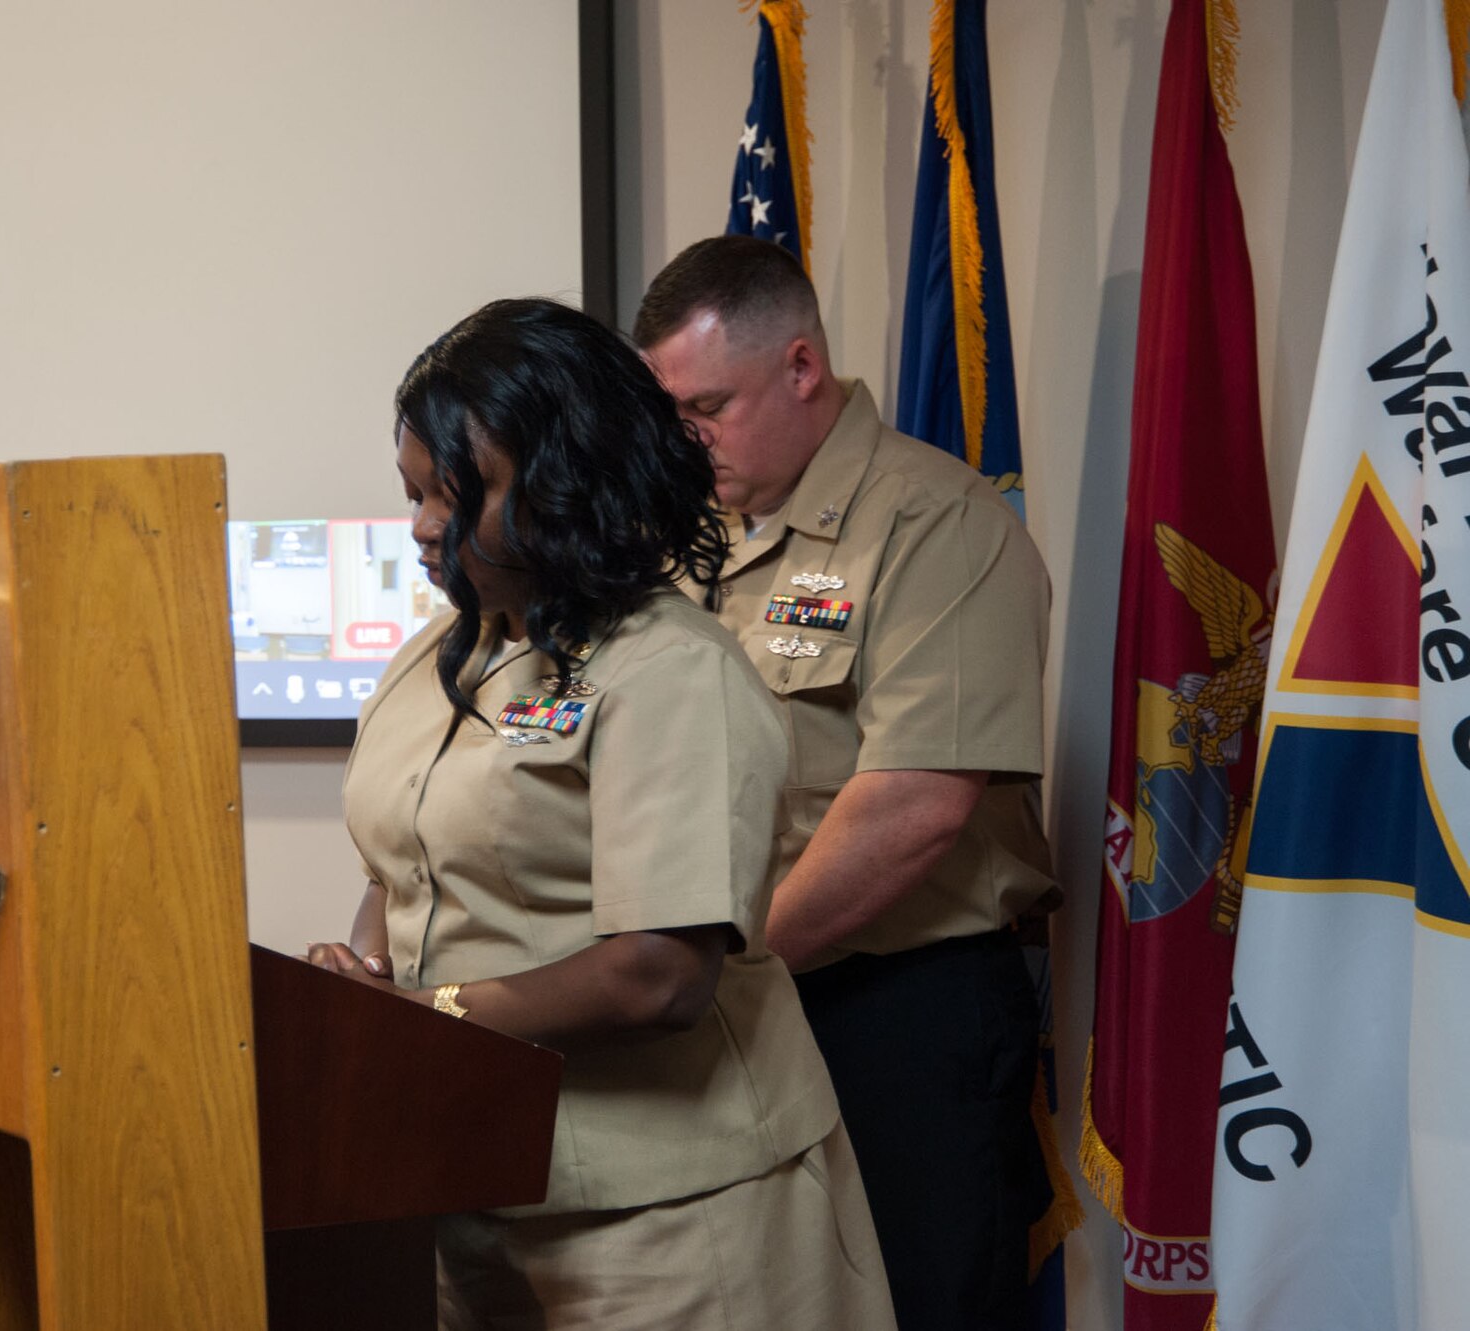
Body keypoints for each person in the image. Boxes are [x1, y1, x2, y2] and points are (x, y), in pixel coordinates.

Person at [307, 297, 895, 1330]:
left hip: (660, 1215)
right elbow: (402, 866)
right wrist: (365, 989)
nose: (424, 528)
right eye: (411, 494)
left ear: (563, 481)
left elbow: (657, 975)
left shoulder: (670, 670)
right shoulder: (443, 654)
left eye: (451, 494)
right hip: (465, 1182)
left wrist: (429, 1015)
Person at [636, 235, 1059, 1331]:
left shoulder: (935, 522)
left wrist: (724, 971)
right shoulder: (692, 541)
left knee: (922, 1303)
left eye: (705, 406)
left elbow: (914, 808)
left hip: (895, 1007)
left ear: (799, 366)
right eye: (666, 413)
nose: (684, 440)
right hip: (737, 997)